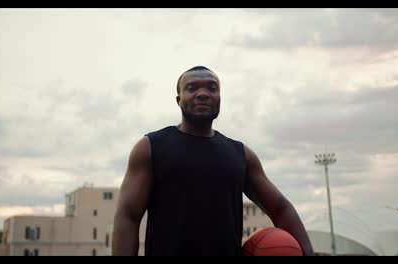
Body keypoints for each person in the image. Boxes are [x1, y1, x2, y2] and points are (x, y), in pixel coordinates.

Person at [112, 66, 314, 256]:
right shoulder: (150, 147)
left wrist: (307, 252)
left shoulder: (241, 154)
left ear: (219, 98)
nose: (202, 93)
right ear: (178, 99)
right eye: (192, 88)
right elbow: (128, 217)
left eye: (212, 88)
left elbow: (280, 208)